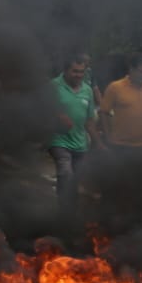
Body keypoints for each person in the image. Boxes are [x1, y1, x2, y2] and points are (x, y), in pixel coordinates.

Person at [100, 52, 142, 228]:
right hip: (120, 147)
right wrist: (108, 137)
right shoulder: (115, 88)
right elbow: (103, 112)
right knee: (116, 187)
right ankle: (108, 223)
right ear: (131, 70)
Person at [49, 56, 102, 217]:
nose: (78, 75)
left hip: (80, 143)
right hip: (59, 140)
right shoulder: (54, 86)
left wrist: (97, 142)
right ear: (65, 70)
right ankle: (65, 210)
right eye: (75, 71)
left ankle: (70, 209)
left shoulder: (87, 90)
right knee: (66, 172)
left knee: (78, 178)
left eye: (81, 71)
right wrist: (58, 116)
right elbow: (41, 108)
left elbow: (90, 120)